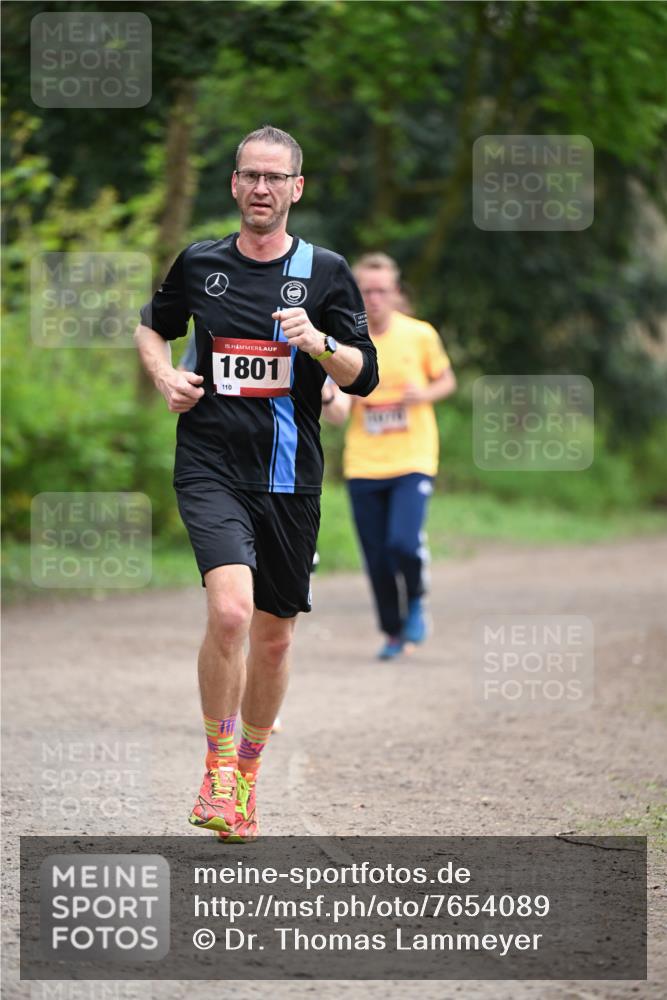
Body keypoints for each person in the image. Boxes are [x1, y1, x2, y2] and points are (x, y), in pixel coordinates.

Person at [134, 125, 378, 841]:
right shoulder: (201, 262)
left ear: (296, 188)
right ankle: (214, 769)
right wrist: (165, 377)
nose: (261, 189)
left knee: (273, 638)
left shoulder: (326, 272)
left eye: (275, 178)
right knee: (232, 613)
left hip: (289, 476)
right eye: (250, 176)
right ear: (234, 184)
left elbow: (364, 374)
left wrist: (319, 343)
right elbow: (153, 327)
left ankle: (246, 774)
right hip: (209, 462)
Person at [324, 253, 456, 660]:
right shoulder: (346, 343)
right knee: (377, 556)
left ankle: (416, 597)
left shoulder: (419, 335)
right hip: (364, 462)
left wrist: (425, 394)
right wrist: (330, 397)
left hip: (413, 456)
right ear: (356, 295)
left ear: (396, 293)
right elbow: (338, 412)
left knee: (402, 542)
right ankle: (393, 632)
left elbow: (447, 380)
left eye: (382, 290)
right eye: (366, 291)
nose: (375, 298)